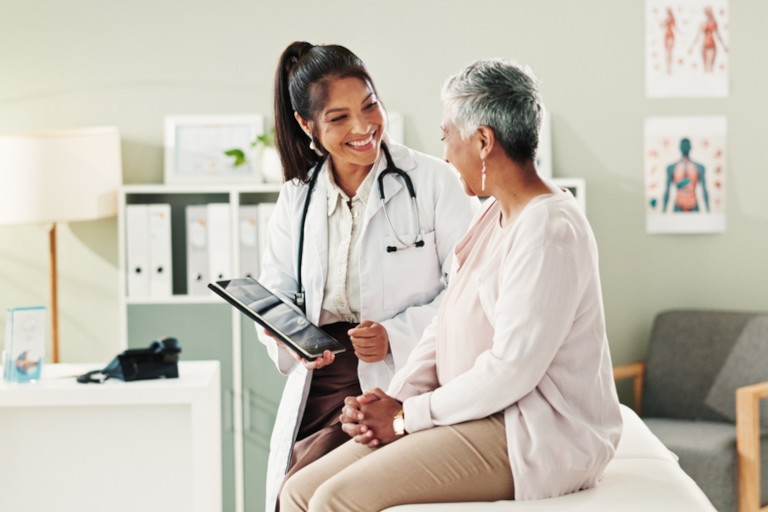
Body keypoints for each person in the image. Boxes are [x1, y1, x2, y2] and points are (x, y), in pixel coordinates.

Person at [279, 58, 623, 512]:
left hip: (527, 431)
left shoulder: (549, 229)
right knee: (298, 491)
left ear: (482, 141)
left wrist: (406, 417)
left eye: (447, 136)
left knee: (335, 500)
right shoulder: (492, 215)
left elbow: (511, 369)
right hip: (472, 413)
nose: (443, 154)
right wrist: (394, 397)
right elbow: (443, 327)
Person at [257, 41, 479, 511]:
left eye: (370, 106)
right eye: (338, 119)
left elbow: (473, 289)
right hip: (320, 385)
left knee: (321, 493)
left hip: (400, 375)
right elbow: (277, 292)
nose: (363, 128)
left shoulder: (436, 182)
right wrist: (283, 335)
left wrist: (396, 335)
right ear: (307, 125)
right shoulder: (297, 199)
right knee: (296, 489)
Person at [663, 137, 709, 213]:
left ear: (690, 147)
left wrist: (708, 211)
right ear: (679, 147)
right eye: (683, 145)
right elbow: (667, 191)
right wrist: (663, 211)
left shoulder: (699, 167)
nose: (685, 147)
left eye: (687, 145)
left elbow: (704, 190)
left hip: (694, 205)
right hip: (678, 205)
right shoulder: (672, 167)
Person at [689, 5, 728, 72]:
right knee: (705, 67)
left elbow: (718, 35)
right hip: (705, 44)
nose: (707, 14)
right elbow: (698, 36)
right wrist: (692, 47)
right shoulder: (703, 23)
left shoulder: (714, 22)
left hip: (712, 43)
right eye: (706, 12)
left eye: (708, 12)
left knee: (711, 67)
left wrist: (724, 46)